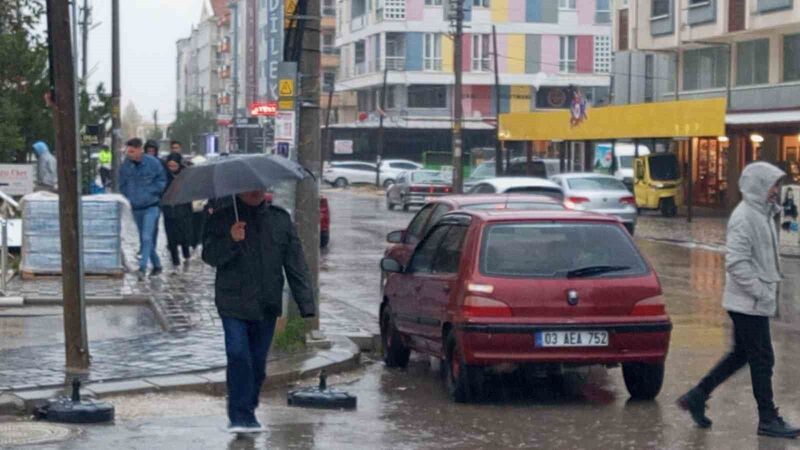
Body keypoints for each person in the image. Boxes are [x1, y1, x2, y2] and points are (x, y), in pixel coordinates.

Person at [678, 162, 800, 439]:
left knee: (741, 355)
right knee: (763, 359)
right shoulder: (744, 217)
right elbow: (737, 263)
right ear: (758, 186)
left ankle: (697, 395)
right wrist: (760, 291)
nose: (776, 190)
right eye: (772, 185)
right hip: (748, 304)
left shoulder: (762, 214)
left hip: (753, 303)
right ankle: (768, 419)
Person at [202, 190, 315, 433]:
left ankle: (247, 406)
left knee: (257, 364)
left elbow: (295, 263)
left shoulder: (280, 219)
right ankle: (240, 416)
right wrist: (231, 239)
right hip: (232, 302)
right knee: (238, 353)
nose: (254, 191)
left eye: (259, 186)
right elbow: (209, 256)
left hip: (266, 304)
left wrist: (306, 304)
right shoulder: (222, 217)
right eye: (249, 186)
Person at [119, 138, 167, 281]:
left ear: (140, 149)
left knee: (146, 237)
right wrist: (129, 197)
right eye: (128, 151)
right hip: (136, 208)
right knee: (145, 239)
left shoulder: (153, 163)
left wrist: (151, 192)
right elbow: (122, 184)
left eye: (132, 151)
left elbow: (162, 181)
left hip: (151, 206)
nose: (129, 154)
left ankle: (142, 267)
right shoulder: (125, 166)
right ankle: (157, 265)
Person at [162, 153, 193, 270]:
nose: (172, 168)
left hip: (183, 208)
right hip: (169, 209)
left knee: (185, 233)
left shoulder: (186, 174)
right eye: (170, 166)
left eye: (174, 165)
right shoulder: (164, 175)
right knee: (171, 236)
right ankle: (175, 260)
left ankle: (186, 253)